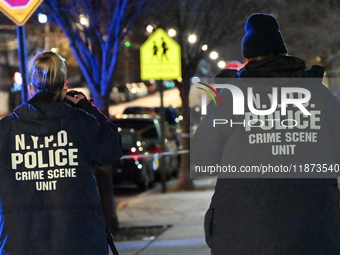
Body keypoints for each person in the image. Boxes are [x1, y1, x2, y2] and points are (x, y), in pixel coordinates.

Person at [191, 14, 340, 254]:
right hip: (313, 230)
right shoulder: (318, 96)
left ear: (247, 58)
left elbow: (202, 158)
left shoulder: (230, 100)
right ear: (283, 54)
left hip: (243, 230)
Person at [0, 51, 122, 255]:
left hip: (21, 243)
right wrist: (86, 107)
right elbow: (112, 149)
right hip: (79, 242)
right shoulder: (81, 123)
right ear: (63, 88)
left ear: (30, 88)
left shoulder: (5, 131)